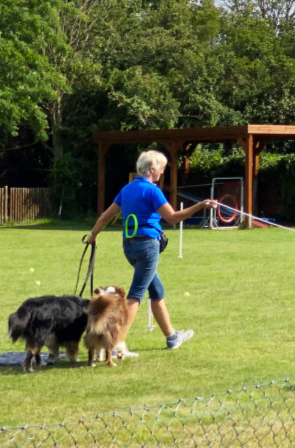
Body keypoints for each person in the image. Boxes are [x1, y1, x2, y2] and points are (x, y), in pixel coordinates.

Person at [88, 150, 217, 357]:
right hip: (147, 247)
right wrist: (201, 205)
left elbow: (105, 217)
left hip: (129, 247)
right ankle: (117, 344)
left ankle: (172, 337)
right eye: (162, 167)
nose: (163, 171)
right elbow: (173, 218)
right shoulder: (152, 191)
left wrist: (93, 235)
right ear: (151, 168)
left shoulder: (127, 189)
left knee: (156, 290)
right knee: (136, 295)